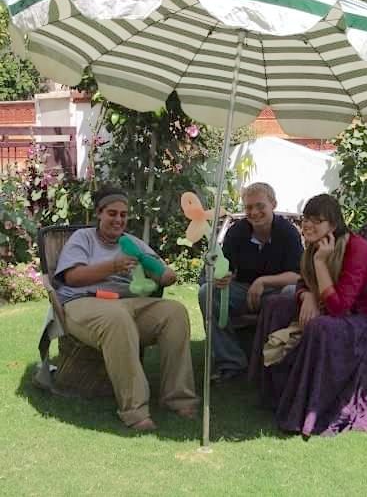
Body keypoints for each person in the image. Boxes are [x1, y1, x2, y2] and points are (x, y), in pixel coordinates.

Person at [54, 185, 199, 432]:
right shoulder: (83, 238)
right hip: (83, 302)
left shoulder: (132, 243)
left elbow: (161, 271)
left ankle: (178, 397)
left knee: (174, 312)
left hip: (127, 302)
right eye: (112, 213)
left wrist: (166, 276)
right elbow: (72, 277)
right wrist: (112, 266)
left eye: (123, 214)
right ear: (99, 213)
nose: (118, 219)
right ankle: (135, 409)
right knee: (117, 317)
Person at [249, 193, 367, 438]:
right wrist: (307, 296)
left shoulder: (356, 249)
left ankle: (305, 409)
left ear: (333, 225)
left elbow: (340, 308)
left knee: (320, 327)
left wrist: (321, 264)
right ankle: (275, 394)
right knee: (274, 304)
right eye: (306, 219)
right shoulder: (317, 245)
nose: (307, 225)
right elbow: (304, 281)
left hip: (359, 321)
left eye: (316, 220)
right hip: (331, 307)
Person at [198, 182, 302, 383]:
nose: (254, 212)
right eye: (249, 207)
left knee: (291, 292)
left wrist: (264, 281)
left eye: (260, 206)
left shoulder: (288, 232)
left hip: (277, 291)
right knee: (207, 292)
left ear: (273, 204)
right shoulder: (237, 231)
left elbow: (299, 276)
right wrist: (224, 276)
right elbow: (225, 266)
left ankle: (278, 360)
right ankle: (231, 362)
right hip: (244, 291)